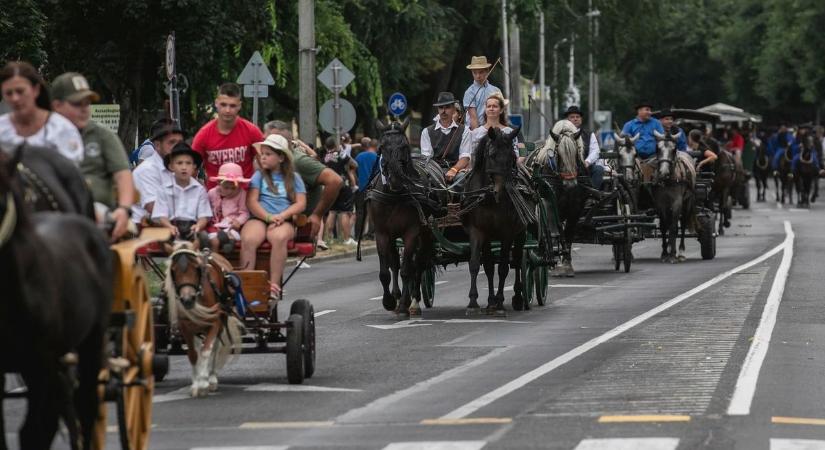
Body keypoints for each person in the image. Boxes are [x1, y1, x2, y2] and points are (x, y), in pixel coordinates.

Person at [50, 72, 135, 240]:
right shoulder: (45, 135)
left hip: (97, 214)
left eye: (87, 103)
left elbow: (123, 175)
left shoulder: (102, 135)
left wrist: (124, 209)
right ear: (57, 106)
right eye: (76, 103)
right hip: (53, 210)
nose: (84, 108)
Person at [240, 134, 307, 301]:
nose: (263, 157)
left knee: (279, 237)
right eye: (262, 153)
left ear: (281, 157)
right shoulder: (259, 176)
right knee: (248, 238)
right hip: (262, 217)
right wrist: (269, 217)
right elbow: (252, 201)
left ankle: (274, 285)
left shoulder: (294, 178)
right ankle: (247, 283)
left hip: (284, 218)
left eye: (268, 154)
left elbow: (300, 203)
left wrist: (282, 216)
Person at [265, 122, 343, 250]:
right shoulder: (266, 162)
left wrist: (317, 215)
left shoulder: (298, 161)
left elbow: (335, 181)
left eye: (270, 140)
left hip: (292, 224)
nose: (265, 144)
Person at [0, 61, 84, 163]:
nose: (15, 98)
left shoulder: (61, 128)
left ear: (36, 90)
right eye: (8, 93)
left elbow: (72, 175)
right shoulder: (2, 128)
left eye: (20, 91)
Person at [192, 82, 264, 189]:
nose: (227, 110)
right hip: (216, 198)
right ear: (216, 103)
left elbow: (265, 162)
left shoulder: (252, 131)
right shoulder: (203, 135)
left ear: (239, 105)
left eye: (232, 105)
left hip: (245, 196)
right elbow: (191, 167)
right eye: (223, 104)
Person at [152, 142, 212, 246]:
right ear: (171, 166)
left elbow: (204, 216)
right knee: (162, 237)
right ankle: (174, 255)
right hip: (172, 226)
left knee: (204, 237)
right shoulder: (163, 189)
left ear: (194, 166)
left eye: (188, 163)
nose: (184, 167)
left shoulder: (200, 190)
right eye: (179, 163)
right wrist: (169, 226)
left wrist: (198, 226)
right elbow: (161, 215)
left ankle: (194, 257)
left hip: (192, 227)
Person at [131, 119, 184, 224]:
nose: (177, 147)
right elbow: (155, 210)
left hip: (173, 226)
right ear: (157, 145)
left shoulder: (178, 166)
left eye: (179, 142)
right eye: (172, 142)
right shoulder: (146, 170)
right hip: (148, 231)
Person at [420, 92, 472, 182]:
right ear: (438, 109)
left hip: (457, 171)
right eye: (441, 107)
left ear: (453, 109)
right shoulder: (426, 132)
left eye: (447, 107)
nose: (443, 111)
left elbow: (465, 157)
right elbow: (426, 158)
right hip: (434, 172)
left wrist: (454, 170)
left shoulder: (465, 131)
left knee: (462, 180)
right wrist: (438, 174)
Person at [207, 162, 250, 254]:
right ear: (218, 183)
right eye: (226, 187)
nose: (230, 191)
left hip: (231, 224)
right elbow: (208, 209)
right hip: (215, 224)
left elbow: (244, 212)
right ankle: (226, 242)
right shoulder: (212, 193)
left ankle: (230, 241)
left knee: (232, 232)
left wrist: (238, 221)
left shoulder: (242, 194)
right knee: (213, 238)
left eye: (233, 188)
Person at [322, 136, 358, 246]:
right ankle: (347, 239)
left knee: (332, 211)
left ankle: (329, 238)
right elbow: (355, 164)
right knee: (344, 212)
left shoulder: (325, 157)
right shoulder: (341, 155)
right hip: (342, 184)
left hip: (330, 185)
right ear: (336, 145)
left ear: (326, 146)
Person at [621, 101, 664, 181]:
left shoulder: (656, 123)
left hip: (654, 157)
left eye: (650, 110)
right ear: (639, 111)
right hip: (635, 158)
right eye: (647, 110)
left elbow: (662, 139)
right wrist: (627, 137)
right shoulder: (629, 125)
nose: (650, 112)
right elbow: (623, 140)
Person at [564, 105, 605, 189]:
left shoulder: (589, 135)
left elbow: (595, 151)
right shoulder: (561, 134)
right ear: (567, 120)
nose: (575, 119)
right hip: (565, 168)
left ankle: (592, 196)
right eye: (572, 117)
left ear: (581, 119)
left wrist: (587, 162)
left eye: (577, 117)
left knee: (599, 169)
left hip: (585, 168)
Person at [468, 92, 519, 159]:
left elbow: (515, 154)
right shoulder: (476, 133)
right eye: (489, 106)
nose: (491, 109)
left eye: (495, 106)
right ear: (485, 110)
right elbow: (470, 156)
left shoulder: (509, 132)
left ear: (501, 110)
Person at [463, 56, 501, 129]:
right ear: (472, 73)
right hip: (475, 128)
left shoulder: (496, 90)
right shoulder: (469, 92)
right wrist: (477, 135)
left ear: (487, 71)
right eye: (475, 73)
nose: (478, 76)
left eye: (481, 72)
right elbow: (473, 118)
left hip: (494, 128)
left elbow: (501, 113)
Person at [354, 138, 379, 240]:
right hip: (373, 188)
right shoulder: (377, 157)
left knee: (360, 212)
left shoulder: (359, 156)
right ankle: (370, 234)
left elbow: (354, 169)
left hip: (360, 187)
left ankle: (358, 235)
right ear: (376, 147)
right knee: (372, 212)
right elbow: (379, 173)